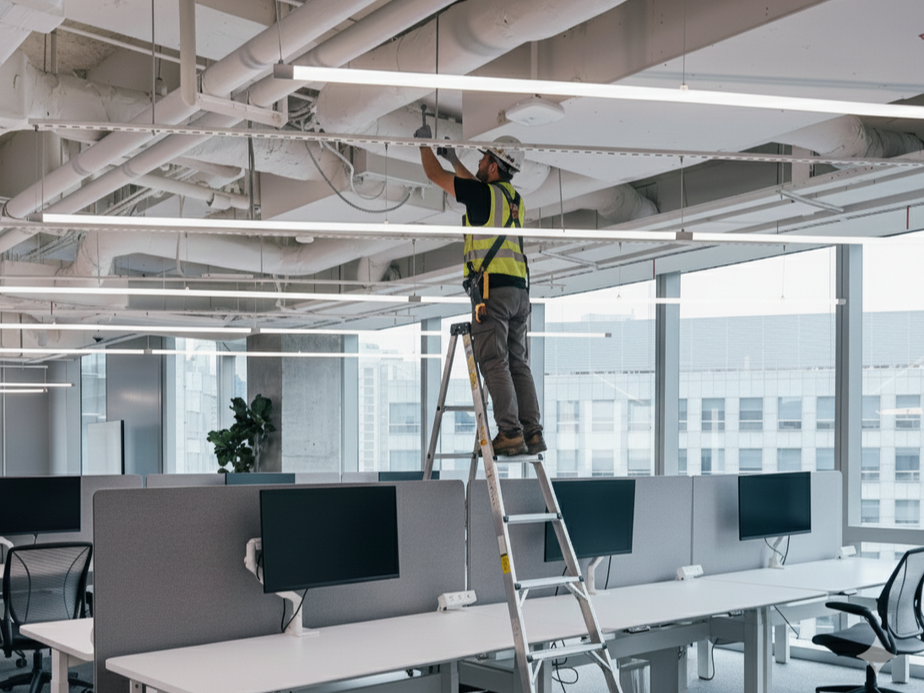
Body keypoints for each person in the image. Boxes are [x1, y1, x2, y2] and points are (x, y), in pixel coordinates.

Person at [416, 124, 546, 456]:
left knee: (494, 361)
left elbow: (434, 175)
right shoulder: (514, 200)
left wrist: (423, 146)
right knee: (519, 362)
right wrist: (456, 159)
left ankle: (510, 432)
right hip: (520, 293)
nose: (480, 162)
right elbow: (476, 189)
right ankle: (532, 432)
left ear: (492, 164)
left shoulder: (483, 195)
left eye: (483, 158)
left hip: (494, 294)